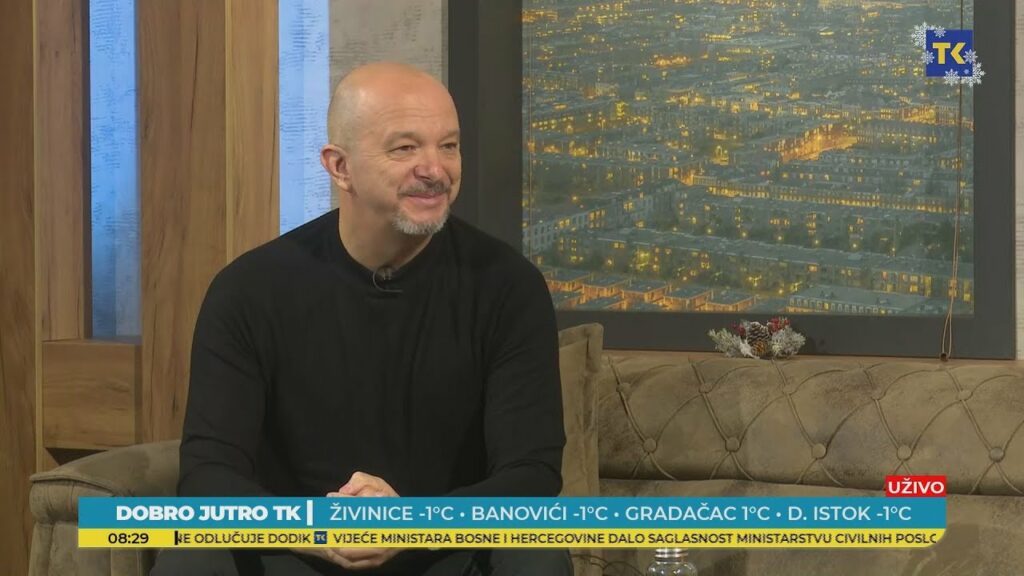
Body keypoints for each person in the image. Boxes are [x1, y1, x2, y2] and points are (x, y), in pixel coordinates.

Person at [151, 62, 571, 575]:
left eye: (448, 146)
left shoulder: (508, 286)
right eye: (405, 148)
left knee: (535, 551)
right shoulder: (249, 290)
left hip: (443, 553)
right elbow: (208, 475)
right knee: (192, 555)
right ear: (340, 166)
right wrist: (312, 528)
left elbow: (531, 474)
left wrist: (411, 525)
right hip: (297, 553)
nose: (435, 169)